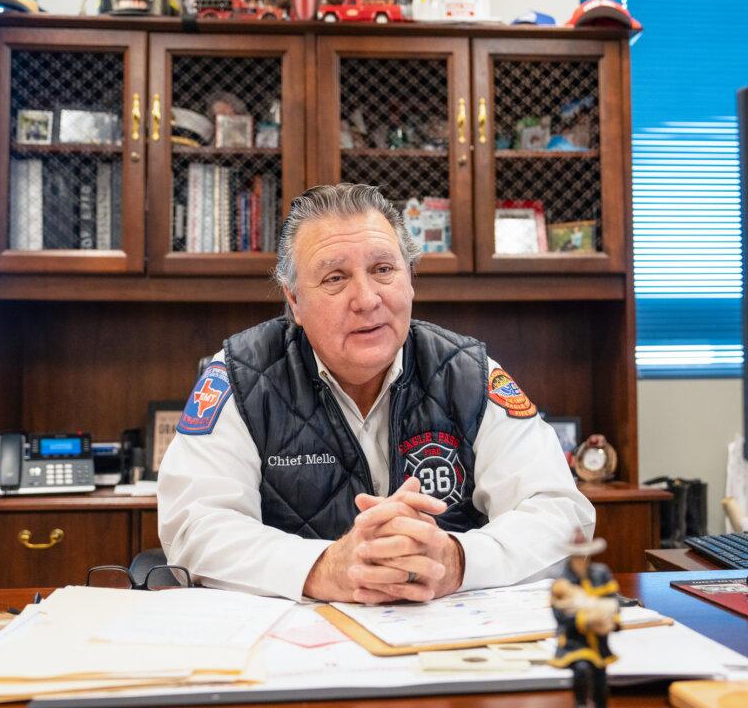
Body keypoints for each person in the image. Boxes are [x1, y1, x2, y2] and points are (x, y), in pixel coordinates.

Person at [157, 183, 595, 603]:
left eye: (383, 270)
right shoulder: (240, 376)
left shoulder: (469, 374)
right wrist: (327, 567)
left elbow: (560, 512)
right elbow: (195, 525)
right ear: (294, 301)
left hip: (445, 635)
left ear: (410, 280)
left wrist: (456, 561)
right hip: (296, 640)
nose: (366, 299)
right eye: (335, 278)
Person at [549, 535, 620, 708]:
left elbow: (613, 600)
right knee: (581, 670)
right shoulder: (562, 580)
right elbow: (560, 616)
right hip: (575, 640)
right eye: (577, 556)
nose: (581, 560)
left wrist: (613, 620)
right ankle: (580, 704)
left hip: (598, 639)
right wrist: (585, 619)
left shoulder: (600, 573)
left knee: (600, 676)